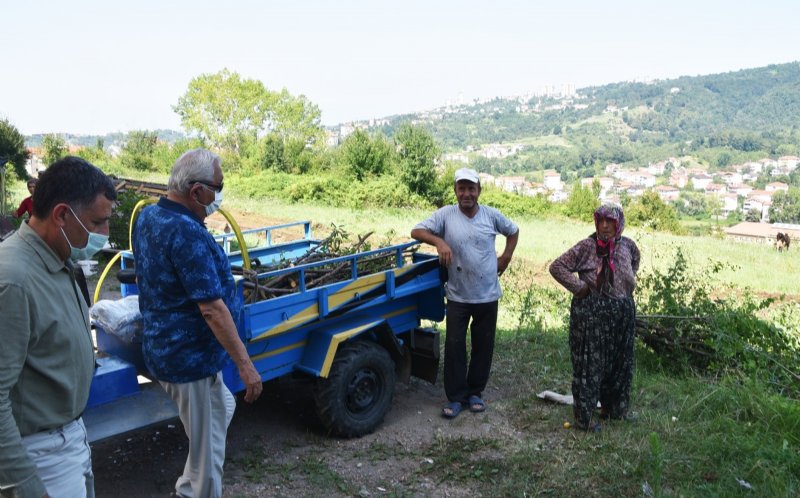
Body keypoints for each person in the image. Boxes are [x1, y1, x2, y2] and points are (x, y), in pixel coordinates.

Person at [133, 148, 262, 498]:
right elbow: (212, 309)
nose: (219, 196)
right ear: (196, 191)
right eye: (217, 188)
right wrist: (245, 366)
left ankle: (187, 490)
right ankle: (198, 491)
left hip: (166, 348)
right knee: (209, 462)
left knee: (221, 412)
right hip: (190, 359)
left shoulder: (150, 217)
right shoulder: (185, 232)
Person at [0, 157, 116, 498]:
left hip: (68, 439)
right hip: (38, 455)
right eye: (98, 223)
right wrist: (25, 485)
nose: (105, 236)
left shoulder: (56, 258)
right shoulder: (14, 281)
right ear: (62, 215)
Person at [411, 168, 519, 419]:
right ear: (456, 191)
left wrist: (506, 256)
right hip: (458, 295)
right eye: (462, 188)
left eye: (471, 188)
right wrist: (440, 242)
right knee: (455, 345)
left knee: (483, 345)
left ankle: (475, 393)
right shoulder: (446, 215)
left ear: (479, 191)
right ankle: (457, 397)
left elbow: (513, 231)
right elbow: (416, 231)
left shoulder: (491, 216)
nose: (466, 193)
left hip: (487, 295)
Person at [549, 202, 640, 432]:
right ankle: (585, 418)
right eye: (601, 220)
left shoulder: (628, 246)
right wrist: (580, 288)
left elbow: (634, 266)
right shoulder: (587, 247)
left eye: (611, 221)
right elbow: (557, 266)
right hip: (592, 314)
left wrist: (621, 292)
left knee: (620, 363)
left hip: (622, 313)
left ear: (619, 224)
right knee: (590, 365)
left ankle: (614, 409)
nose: (605, 225)